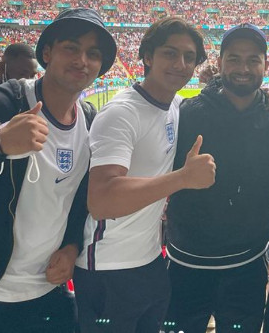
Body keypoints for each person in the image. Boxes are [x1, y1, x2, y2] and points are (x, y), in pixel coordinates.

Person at [75, 17, 215, 333]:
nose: (180, 64)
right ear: (147, 57)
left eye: (189, 57)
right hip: (108, 270)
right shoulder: (122, 113)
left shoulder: (176, 106)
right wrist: (183, 178)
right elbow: (102, 200)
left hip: (150, 263)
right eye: (169, 53)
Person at [0, 8, 117, 333]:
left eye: (92, 54)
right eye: (71, 48)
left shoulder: (91, 122)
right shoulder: (4, 104)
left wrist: (73, 245)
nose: (82, 61)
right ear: (47, 52)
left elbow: (80, 203)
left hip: (48, 289)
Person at [164, 23, 269, 333]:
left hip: (247, 264)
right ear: (220, 62)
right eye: (234, 58)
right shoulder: (188, 114)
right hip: (187, 263)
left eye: (253, 59)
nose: (243, 68)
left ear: (266, 65)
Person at [0, 42, 38, 118]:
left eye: (32, 76)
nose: (28, 81)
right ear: (2, 68)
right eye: (22, 74)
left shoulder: (30, 98)